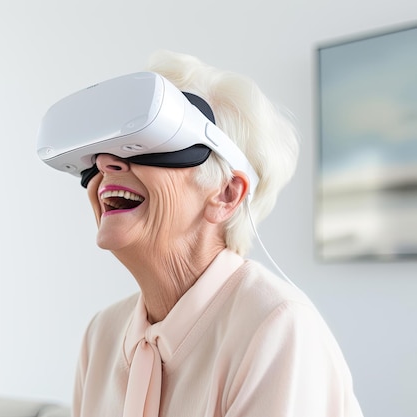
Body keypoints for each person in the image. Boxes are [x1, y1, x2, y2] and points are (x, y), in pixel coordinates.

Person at [62, 50, 363, 416]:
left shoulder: (276, 329)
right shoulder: (103, 335)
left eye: (150, 142)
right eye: (105, 146)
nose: (105, 162)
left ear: (226, 195)